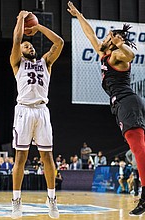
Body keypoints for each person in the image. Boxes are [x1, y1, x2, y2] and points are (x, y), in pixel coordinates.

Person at [67, 1, 145, 216]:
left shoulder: (118, 56)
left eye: (106, 39)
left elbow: (131, 55)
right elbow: (90, 34)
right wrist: (79, 15)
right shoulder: (104, 54)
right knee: (138, 148)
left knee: (138, 148)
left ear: (113, 43)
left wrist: (120, 44)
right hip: (123, 104)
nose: (101, 40)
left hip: (127, 102)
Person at [10, 10, 64, 219]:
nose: (29, 46)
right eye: (26, 45)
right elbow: (16, 40)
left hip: (42, 111)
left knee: (47, 157)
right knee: (20, 158)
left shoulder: (45, 62)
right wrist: (22, 20)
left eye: (30, 44)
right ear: (21, 51)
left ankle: (51, 199)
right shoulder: (17, 63)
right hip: (23, 110)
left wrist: (38, 27)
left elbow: (58, 43)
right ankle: (16, 201)